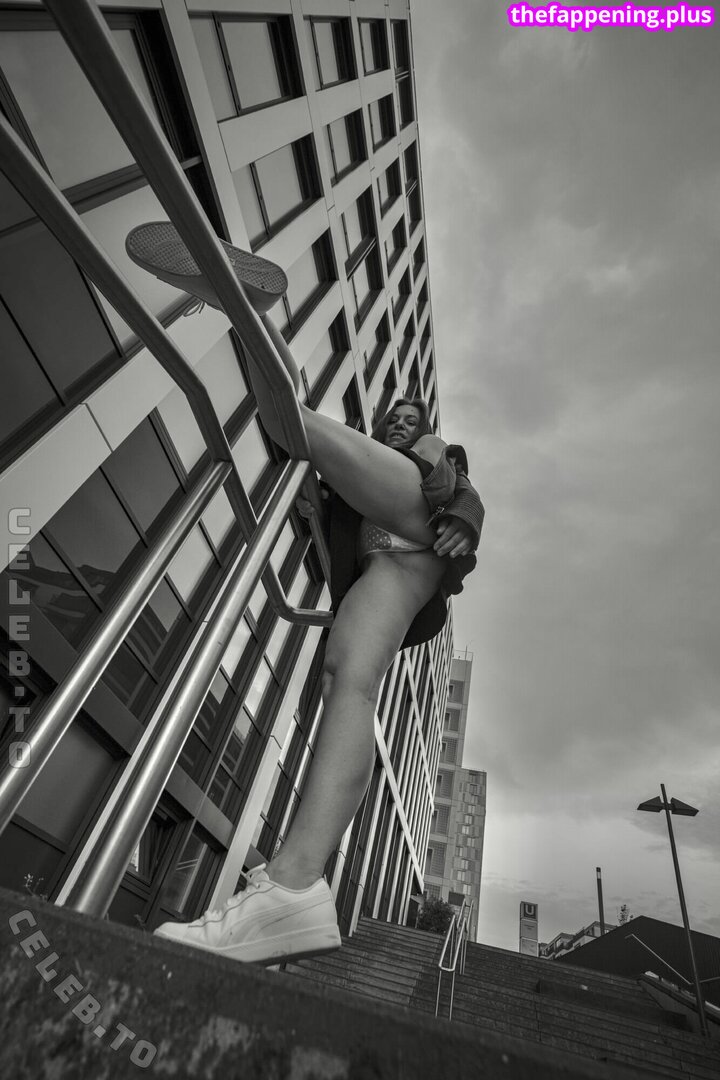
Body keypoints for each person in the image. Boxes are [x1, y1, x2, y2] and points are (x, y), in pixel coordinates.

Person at [130, 225, 484, 965]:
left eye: (409, 419)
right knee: (345, 681)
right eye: (392, 418)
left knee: (297, 421)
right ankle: (296, 886)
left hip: (418, 526)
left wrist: (462, 519)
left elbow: (462, 493)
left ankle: (241, 307)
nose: (399, 423)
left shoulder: (433, 459)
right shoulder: (363, 477)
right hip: (388, 569)